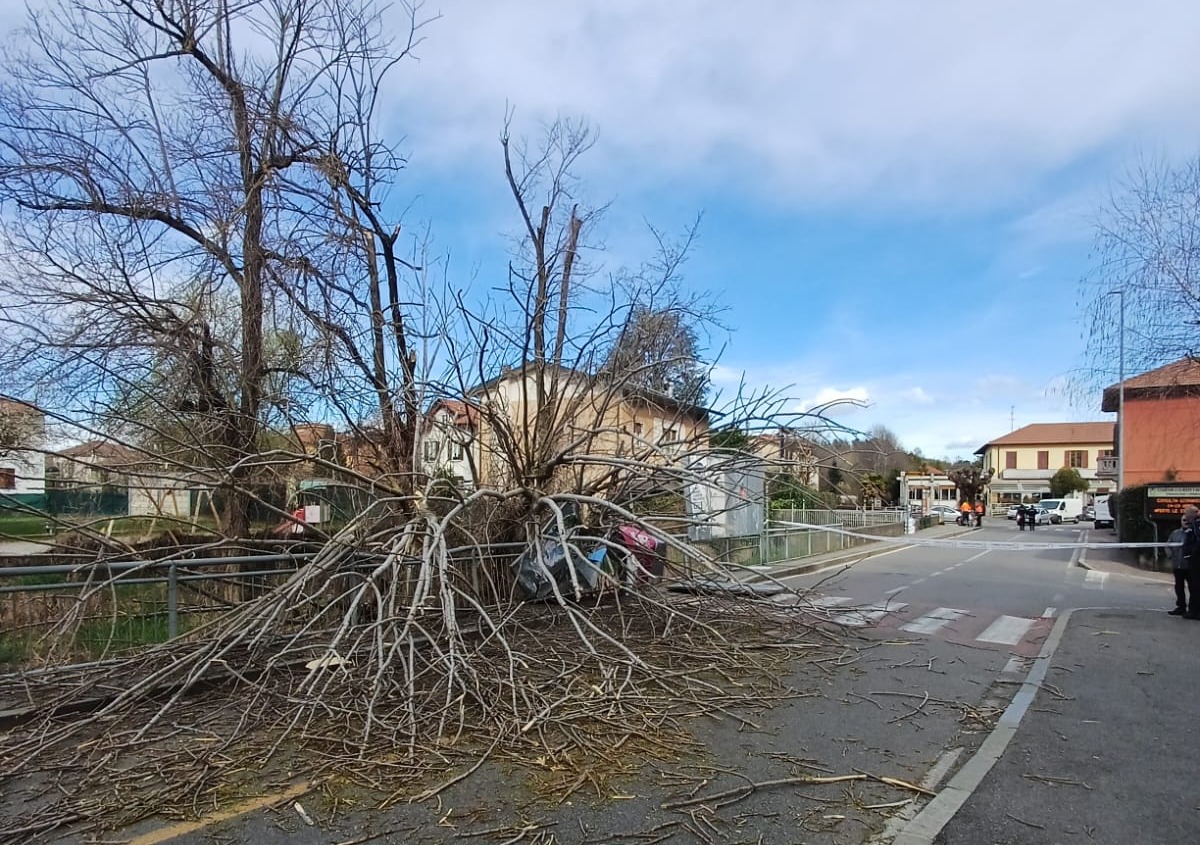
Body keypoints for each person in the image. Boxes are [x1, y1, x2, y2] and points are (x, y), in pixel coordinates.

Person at [1168, 512, 1190, 616]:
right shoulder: (1175, 533)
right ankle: (1181, 607)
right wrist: (1170, 555)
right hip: (1178, 565)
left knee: (1193, 588)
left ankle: (1193, 608)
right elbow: (1168, 545)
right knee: (1179, 587)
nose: (1186, 522)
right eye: (1184, 520)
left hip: (1190, 566)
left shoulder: (1194, 533)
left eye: (1188, 520)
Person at [1182, 506, 1200, 619]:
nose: (1186, 516)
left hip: (1197, 559)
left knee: (1195, 586)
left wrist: (1192, 553)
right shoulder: (1194, 523)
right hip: (1195, 557)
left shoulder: (1197, 524)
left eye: (1187, 514)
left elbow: (1197, 540)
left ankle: (1195, 611)